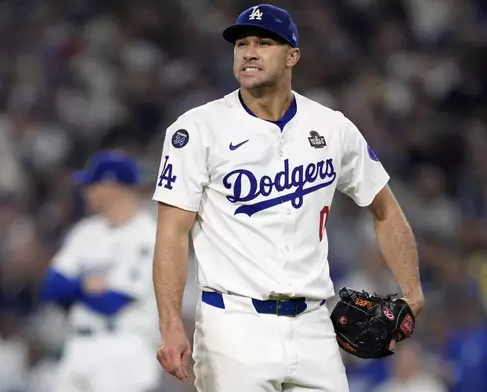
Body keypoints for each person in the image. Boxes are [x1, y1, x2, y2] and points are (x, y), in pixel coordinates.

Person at [151, 4, 425, 392]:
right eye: (241, 43)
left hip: (314, 325)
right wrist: (171, 325)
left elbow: (385, 210)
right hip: (234, 324)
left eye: (264, 43)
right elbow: (171, 234)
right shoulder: (197, 129)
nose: (249, 51)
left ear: (292, 55)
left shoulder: (332, 128)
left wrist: (413, 293)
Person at [40, 150, 162, 392]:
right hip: (78, 345)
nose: (86, 191)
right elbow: (49, 288)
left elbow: (112, 301)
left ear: (112, 186)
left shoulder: (148, 235)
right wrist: (85, 286)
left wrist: (73, 288)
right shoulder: (85, 232)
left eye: (92, 184)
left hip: (123, 348)